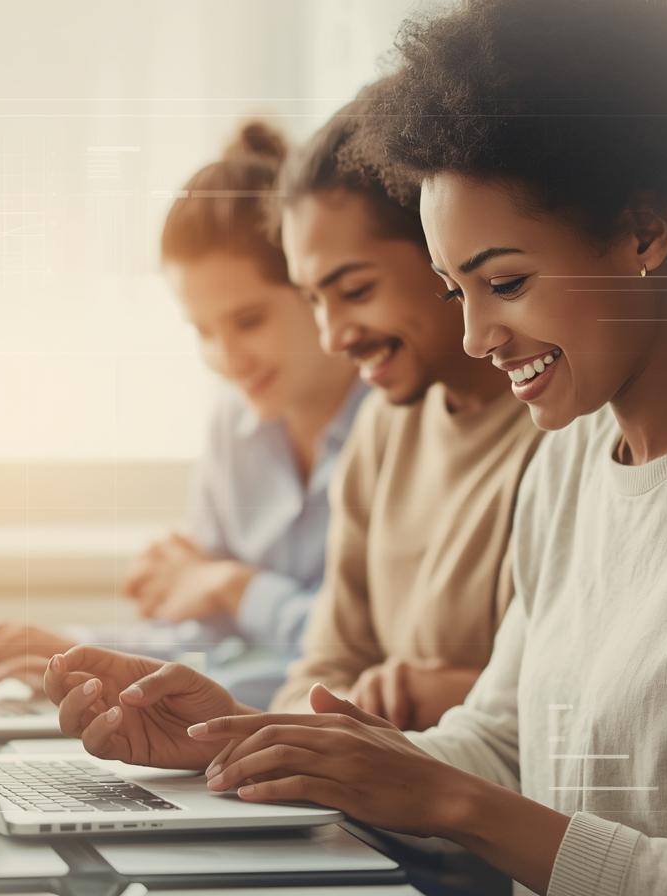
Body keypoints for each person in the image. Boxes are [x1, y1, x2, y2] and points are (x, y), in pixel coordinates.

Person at [42, 2, 667, 894]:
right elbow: (501, 746)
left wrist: (454, 800)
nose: (477, 336)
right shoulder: (571, 461)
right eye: (453, 292)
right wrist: (242, 737)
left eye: (505, 282)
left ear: (644, 231)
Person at [0, 123, 367, 710]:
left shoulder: (399, 425)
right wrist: (78, 655)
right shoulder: (233, 425)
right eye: (202, 331)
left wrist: (231, 585)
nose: (227, 359)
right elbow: (214, 640)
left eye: (249, 321)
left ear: (314, 287)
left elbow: (360, 653)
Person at [266, 96, 545, 727]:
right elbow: (317, 673)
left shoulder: (561, 432)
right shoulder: (383, 431)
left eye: (356, 291)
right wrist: (363, 709)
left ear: (444, 246)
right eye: (314, 300)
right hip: (385, 808)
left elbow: (575, 710)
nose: (333, 337)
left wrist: (452, 696)